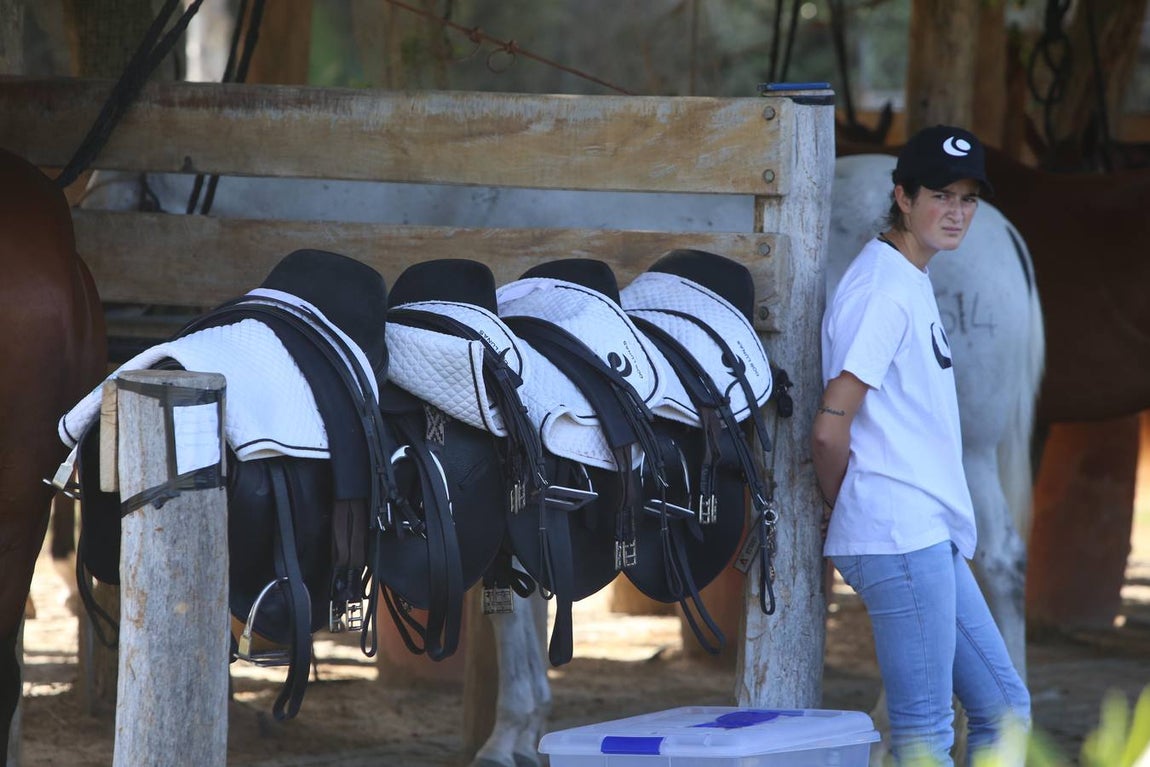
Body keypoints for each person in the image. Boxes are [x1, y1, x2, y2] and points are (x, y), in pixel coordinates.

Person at [811, 125, 1031, 765]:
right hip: (899, 534)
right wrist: (844, 505)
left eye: (968, 198)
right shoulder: (882, 291)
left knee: (1004, 711)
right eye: (942, 195)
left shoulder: (908, 277)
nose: (957, 212)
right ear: (903, 196)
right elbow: (829, 428)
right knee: (925, 734)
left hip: (925, 534)